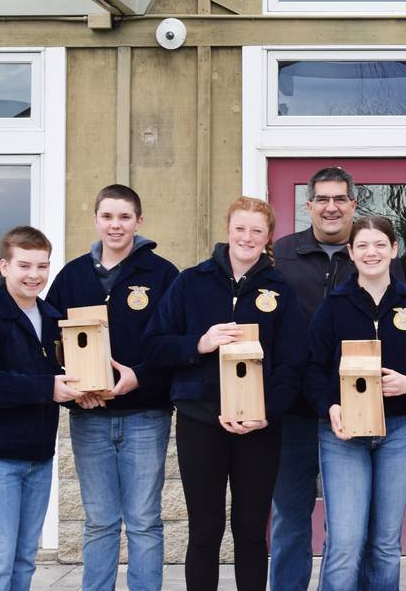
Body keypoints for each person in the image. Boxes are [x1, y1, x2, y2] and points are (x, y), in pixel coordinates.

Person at [143, 196, 306, 591]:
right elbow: (154, 345)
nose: (246, 237)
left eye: (256, 230)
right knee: (205, 529)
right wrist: (199, 343)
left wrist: (268, 411)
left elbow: (293, 363)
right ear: (227, 230)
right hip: (201, 421)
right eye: (240, 228)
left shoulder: (281, 290)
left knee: (251, 530)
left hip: (259, 427)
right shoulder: (190, 281)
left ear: (268, 236)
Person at [45, 185, 179, 591]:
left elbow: (174, 345)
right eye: (107, 216)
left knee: (143, 519)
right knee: (100, 520)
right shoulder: (72, 275)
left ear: (139, 222)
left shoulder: (163, 274)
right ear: (96, 220)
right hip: (90, 416)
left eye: (124, 217)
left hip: (146, 415)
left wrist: (139, 376)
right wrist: (72, 383)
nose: (115, 225)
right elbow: (50, 340)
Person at [304, 216, 406, 591]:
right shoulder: (334, 307)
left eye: (380, 244)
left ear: (394, 250)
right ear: (350, 253)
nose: (371, 252)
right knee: (345, 541)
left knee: (384, 543)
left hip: (398, 431)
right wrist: (329, 406)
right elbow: (312, 369)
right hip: (343, 434)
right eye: (362, 245)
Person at [0, 226, 85, 591]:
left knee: (25, 559)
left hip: (38, 456)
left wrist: (82, 388)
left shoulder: (54, 318)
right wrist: (47, 388)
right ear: (5, 267)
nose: (34, 275)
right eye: (25, 266)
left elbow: (62, 375)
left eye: (42, 266)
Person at [269, 167, 358, 591]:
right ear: (308, 206)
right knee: (290, 515)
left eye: (340, 198)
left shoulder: (370, 251)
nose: (331, 207)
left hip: (354, 410)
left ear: (354, 204)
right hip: (295, 414)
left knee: (349, 522)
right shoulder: (281, 254)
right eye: (322, 199)